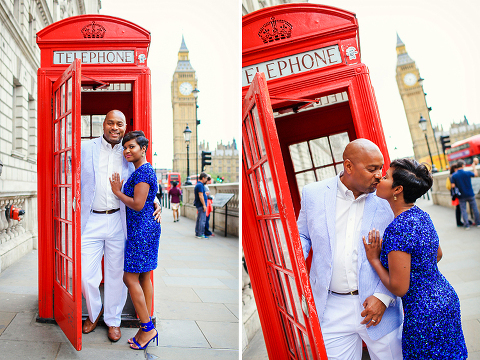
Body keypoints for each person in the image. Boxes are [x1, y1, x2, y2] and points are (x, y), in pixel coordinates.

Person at [297, 139, 403, 360]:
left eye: (381, 168)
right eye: (372, 169)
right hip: (331, 306)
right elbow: (303, 235)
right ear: (348, 167)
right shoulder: (313, 194)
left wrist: (384, 297)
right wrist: (292, 256)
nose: (378, 175)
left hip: (378, 305)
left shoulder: (388, 198)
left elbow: (404, 253)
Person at [363, 158, 468, 359]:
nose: (379, 179)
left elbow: (399, 288)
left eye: (385, 177)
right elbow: (438, 254)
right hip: (445, 298)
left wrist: (374, 259)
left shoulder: (397, 229)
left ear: (397, 189)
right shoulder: (421, 215)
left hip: (423, 312)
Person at [80, 110, 161, 342]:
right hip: (91, 219)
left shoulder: (128, 152)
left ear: (125, 127)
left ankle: (113, 320)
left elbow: (143, 180)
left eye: (119, 124)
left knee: (117, 274)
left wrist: (155, 201)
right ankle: (94, 313)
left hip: (119, 220)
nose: (114, 127)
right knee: (87, 275)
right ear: (103, 125)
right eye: (110, 123)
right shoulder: (86, 148)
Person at [110, 131, 161, 350]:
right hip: (146, 228)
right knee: (144, 277)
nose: (128, 150)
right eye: (126, 147)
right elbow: (148, 200)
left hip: (141, 231)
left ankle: (148, 328)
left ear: (143, 149)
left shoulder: (143, 171)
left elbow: (138, 204)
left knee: (129, 278)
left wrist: (117, 192)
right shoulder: (142, 169)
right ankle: (145, 327)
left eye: (132, 146)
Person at [451, 158, 480, 230]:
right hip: (470, 194)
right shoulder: (467, 173)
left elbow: (453, 186)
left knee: (463, 210)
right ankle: (478, 223)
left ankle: (467, 225)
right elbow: (476, 174)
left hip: (461, 195)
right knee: (475, 208)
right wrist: (473, 167)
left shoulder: (454, 175)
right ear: (463, 165)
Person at [194, 172, 208, 239]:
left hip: (199, 205)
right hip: (201, 205)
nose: (206, 180)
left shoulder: (198, 184)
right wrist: (204, 205)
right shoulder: (200, 185)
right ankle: (200, 234)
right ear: (203, 178)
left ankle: (197, 233)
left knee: (199, 219)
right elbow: (200, 195)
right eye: (206, 179)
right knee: (202, 220)